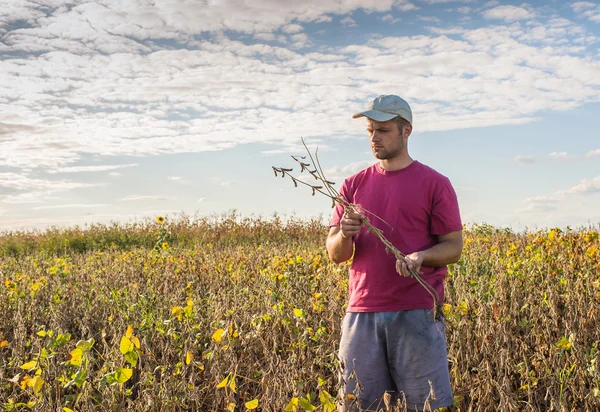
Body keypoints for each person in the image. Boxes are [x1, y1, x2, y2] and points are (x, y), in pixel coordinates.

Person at [326, 95, 463, 411]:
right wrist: (345, 233)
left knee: (427, 405)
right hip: (361, 312)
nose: (375, 138)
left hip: (417, 311)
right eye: (371, 130)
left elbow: (453, 247)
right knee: (356, 405)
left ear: (406, 131)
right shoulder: (352, 185)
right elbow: (335, 253)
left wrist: (421, 257)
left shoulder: (435, 183)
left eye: (383, 130)